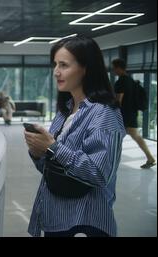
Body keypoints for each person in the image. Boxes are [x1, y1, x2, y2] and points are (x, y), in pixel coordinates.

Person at [24, 36, 125, 237]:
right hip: (57, 219)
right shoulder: (65, 111)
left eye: (64, 65)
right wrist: (39, 153)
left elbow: (98, 174)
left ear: (86, 68)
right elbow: (53, 169)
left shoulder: (104, 114)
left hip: (84, 223)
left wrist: (53, 147)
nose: (56, 72)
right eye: (55, 64)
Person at [112, 58, 156, 169]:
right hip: (132, 113)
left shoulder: (121, 81)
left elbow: (119, 101)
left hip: (124, 115)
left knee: (118, 136)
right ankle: (150, 158)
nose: (113, 70)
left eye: (114, 68)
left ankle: (110, 161)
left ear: (118, 68)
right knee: (128, 136)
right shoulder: (130, 80)